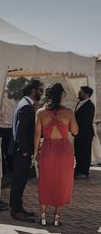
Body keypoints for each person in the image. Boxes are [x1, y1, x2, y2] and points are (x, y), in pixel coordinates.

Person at [34, 83, 78, 227]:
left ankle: (43, 215)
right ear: (61, 96)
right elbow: (75, 131)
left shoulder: (40, 112)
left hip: (47, 149)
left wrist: (35, 153)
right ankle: (57, 217)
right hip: (64, 150)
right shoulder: (69, 112)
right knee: (63, 182)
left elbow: (37, 135)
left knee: (45, 181)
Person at [9, 79, 43, 223]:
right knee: (18, 181)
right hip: (20, 151)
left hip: (20, 150)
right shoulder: (26, 107)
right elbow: (20, 131)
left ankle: (19, 208)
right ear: (34, 91)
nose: (42, 93)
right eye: (40, 90)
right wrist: (24, 150)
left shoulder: (24, 103)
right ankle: (16, 211)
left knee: (21, 181)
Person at [74, 86, 95, 179]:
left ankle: (84, 171)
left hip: (86, 133)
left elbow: (84, 120)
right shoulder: (79, 103)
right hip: (78, 133)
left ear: (86, 94)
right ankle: (78, 169)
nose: (79, 93)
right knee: (78, 151)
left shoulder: (90, 106)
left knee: (85, 152)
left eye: (81, 92)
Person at [0, 89, 16, 174]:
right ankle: (11, 168)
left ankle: (3, 169)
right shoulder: (13, 101)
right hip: (11, 127)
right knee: (9, 150)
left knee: (0, 150)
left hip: (1, 128)